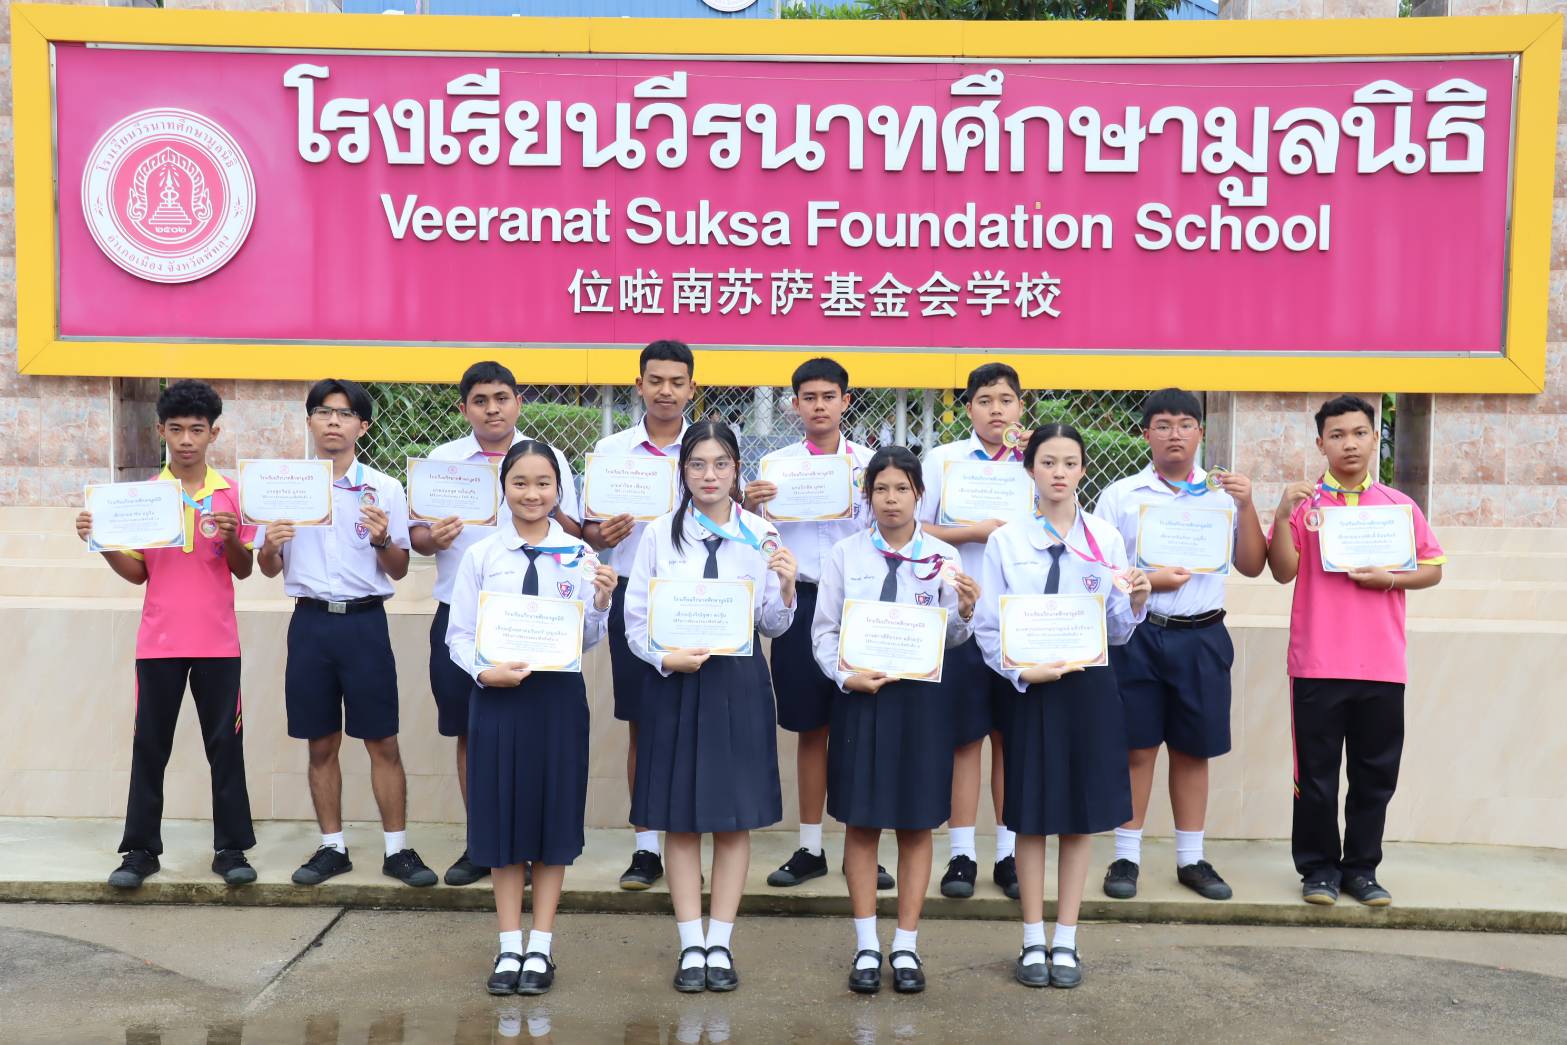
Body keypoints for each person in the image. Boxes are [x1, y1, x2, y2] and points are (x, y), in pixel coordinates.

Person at [623, 422, 797, 993]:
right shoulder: (658, 535)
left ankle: (720, 942)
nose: (709, 475)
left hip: (738, 682)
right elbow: (635, 620)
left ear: (736, 470)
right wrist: (664, 658)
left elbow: (771, 624)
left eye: (721, 464)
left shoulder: (761, 534)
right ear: (683, 471)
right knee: (679, 816)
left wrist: (786, 588)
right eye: (697, 464)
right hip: (676, 683)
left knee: (732, 816)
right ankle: (689, 943)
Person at [976, 423, 1151, 990]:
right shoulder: (1007, 541)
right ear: (1030, 469)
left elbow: (1117, 631)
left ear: (1082, 470)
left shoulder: (1106, 540)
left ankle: (1067, 939)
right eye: (1047, 462)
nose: (1058, 472)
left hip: (1088, 688)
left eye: (1069, 463)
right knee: (1030, 815)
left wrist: (1136, 601)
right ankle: (1032, 937)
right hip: (1030, 690)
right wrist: (1019, 671)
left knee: (1078, 817)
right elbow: (988, 626)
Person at [445, 440, 617, 996]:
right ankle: (508, 946)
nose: (532, 493)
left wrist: (601, 603)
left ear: (559, 490)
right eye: (520, 482)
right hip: (498, 699)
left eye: (543, 483)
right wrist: (483, 671)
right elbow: (458, 634)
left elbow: (586, 639)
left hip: (557, 701)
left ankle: (540, 946)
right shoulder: (482, 556)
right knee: (501, 818)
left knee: (551, 817)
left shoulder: (579, 555)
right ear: (504, 489)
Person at [75, 379, 258, 888]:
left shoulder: (232, 494)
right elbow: (138, 574)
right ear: (161, 431)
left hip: (218, 643)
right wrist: (101, 542)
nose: (185, 440)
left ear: (213, 433)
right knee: (150, 746)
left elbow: (244, 569)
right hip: (158, 643)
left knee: (225, 745)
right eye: (175, 429)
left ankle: (231, 849)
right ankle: (140, 851)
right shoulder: (144, 498)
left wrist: (231, 539)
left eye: (196, 429)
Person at [811, 446, 979, 995]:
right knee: (861, 823)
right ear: (868, 497)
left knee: (915, 823)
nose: (891, 499)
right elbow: (824, 631)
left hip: (922, 704)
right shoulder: (845, 554)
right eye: (880, 489)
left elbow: (953, 637)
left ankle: (906, 945)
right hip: (862, 699)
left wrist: (966, 611)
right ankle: (866, 944)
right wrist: (845, 676)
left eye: (901, 489)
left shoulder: (943, 558)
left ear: (918, 495)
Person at [257, 378, 437, 888]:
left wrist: (381, 539)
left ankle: (397, 850)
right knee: (320, 743)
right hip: (310, 623)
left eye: (344, 414)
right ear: (309, 422)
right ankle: (332, 846)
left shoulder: (385, 489)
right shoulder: (284, 487)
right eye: (323, 412)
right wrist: (269, 544)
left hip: (365, 624)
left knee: (382, 741)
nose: (333, 421)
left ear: (363, 426)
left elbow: (399, 568)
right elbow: (268, 568)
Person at [1266, 395, 1444, 907]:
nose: (1350, 443)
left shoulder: (1398, 506)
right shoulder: (1305, 505)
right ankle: (1319, 870)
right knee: (1316, 777)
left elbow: (1432, 568)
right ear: (1320, 443)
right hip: (1317, 663)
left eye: (1360, 433)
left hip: (1382, 665)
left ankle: (1362, 870)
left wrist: (1391, 579)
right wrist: (1282, 513)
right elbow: (1282, 571)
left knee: (1375, 776)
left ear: (1374, 439)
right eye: (1338, 435)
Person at [410, 361, 582, 888]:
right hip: (464, 620)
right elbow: (416, 539)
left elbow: (573, 531)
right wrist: (434, 538)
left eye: (502, 398)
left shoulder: (548, 458)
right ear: (464, 408)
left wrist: (549, 507)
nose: (492, 409)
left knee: (534, 738)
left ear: (518, 403)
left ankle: (530, 845)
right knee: (473, 731)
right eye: (480, 400)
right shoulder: (443, 462)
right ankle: (483, 843)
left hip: (541, 623)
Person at [1092, 388, 1267, 901]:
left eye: (1186, 424)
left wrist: (1247, 504)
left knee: (1194, 750)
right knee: (1137, 748)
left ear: (1200, 433)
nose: (1175, 434)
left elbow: (1252, 565)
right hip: (1138, 632)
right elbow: (1098, 570)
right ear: (1146, 433)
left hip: (1202, 635)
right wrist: (1148, 580)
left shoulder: (1223, 495)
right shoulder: (1121, 496)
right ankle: (1126, 857)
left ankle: (1191, 859)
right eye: (1163, 425)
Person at [742, 358, 884, 890]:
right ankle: (810, 847)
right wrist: (750, 506)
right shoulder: (773, 468)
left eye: (829, 396)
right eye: (809, 397)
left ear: (846, 401)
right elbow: (756, 537)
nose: (819, 406)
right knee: (811, 728)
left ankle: (863, 849)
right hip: (799, 601)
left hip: (859, 606)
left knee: (861, 727)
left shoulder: (869, 466)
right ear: (793, 405)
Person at [582, 340, 696, 892]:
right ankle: (646, 847)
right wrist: (600, 533)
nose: (665, 391)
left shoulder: (710, 447)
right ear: (639, 385)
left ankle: (692, 838)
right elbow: (586, 529)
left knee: (696, 724)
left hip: (699, 601)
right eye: (656, 380)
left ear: (692, 388)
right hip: (634, 596)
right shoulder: (612, 451)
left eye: (677, 382)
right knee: (643, 724)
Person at [919, 363, 1030, 900]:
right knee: (964, 740)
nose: (996, 410)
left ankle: (1008, 855)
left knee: (1011, 740)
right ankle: (961, 855)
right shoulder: (943, 460)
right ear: (968, 409)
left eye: (1006, 400)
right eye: (985, 400)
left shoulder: (1037, 460)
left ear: (1021, 407)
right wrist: (973, 532)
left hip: (1020, 621)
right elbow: (914, 527)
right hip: (961, 619)